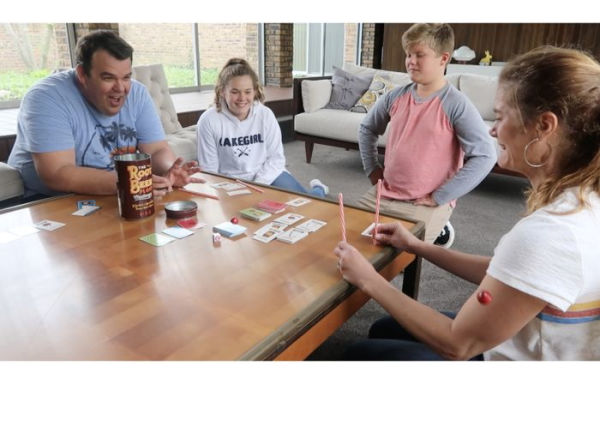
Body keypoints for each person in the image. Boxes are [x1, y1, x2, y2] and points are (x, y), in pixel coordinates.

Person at [335, 45, 600, 360]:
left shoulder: (551, 235)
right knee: (384, 328)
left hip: (493, 353)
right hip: (508, 332)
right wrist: (416, 245)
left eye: (501, 116)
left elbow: (459, 344)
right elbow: (509, 271)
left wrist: (367, 278)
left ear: (544, 126)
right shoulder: (582, 200)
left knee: (358, 353)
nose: (492, 129)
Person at [8, 30, 202, 200]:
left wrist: (169, 170)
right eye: (108, 78)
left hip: (117, 192)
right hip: (48, 201)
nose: (120, 88)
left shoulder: (138, 93)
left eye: (126, 77)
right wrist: (133, 183)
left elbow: (157, 150)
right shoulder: (46, 97)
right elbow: (58, 174)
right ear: (83, 74)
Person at [358, 23, 496, 246]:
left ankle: (441, 228)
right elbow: (367, 129)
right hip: (386, 192)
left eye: (419, 55)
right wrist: (372, 168)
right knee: (349, 240)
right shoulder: (395, 97)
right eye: (408, 54)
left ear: (443, 59)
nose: (411, 61)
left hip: (427, 201)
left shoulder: (456, 104)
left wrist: (442, 196)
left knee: (396, 257)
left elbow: (485, 156)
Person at [196, 58, 328, 197]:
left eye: (247, 92)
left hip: (268, 175)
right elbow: (209, 170)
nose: (242, 98)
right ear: (222, 91)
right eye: (235, 92)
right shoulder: (208, 121)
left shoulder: (265, 115)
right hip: (230, 182)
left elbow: (276, 159)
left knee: (309, 204)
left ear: (254, 91)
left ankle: (319, 188)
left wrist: (257, 185)